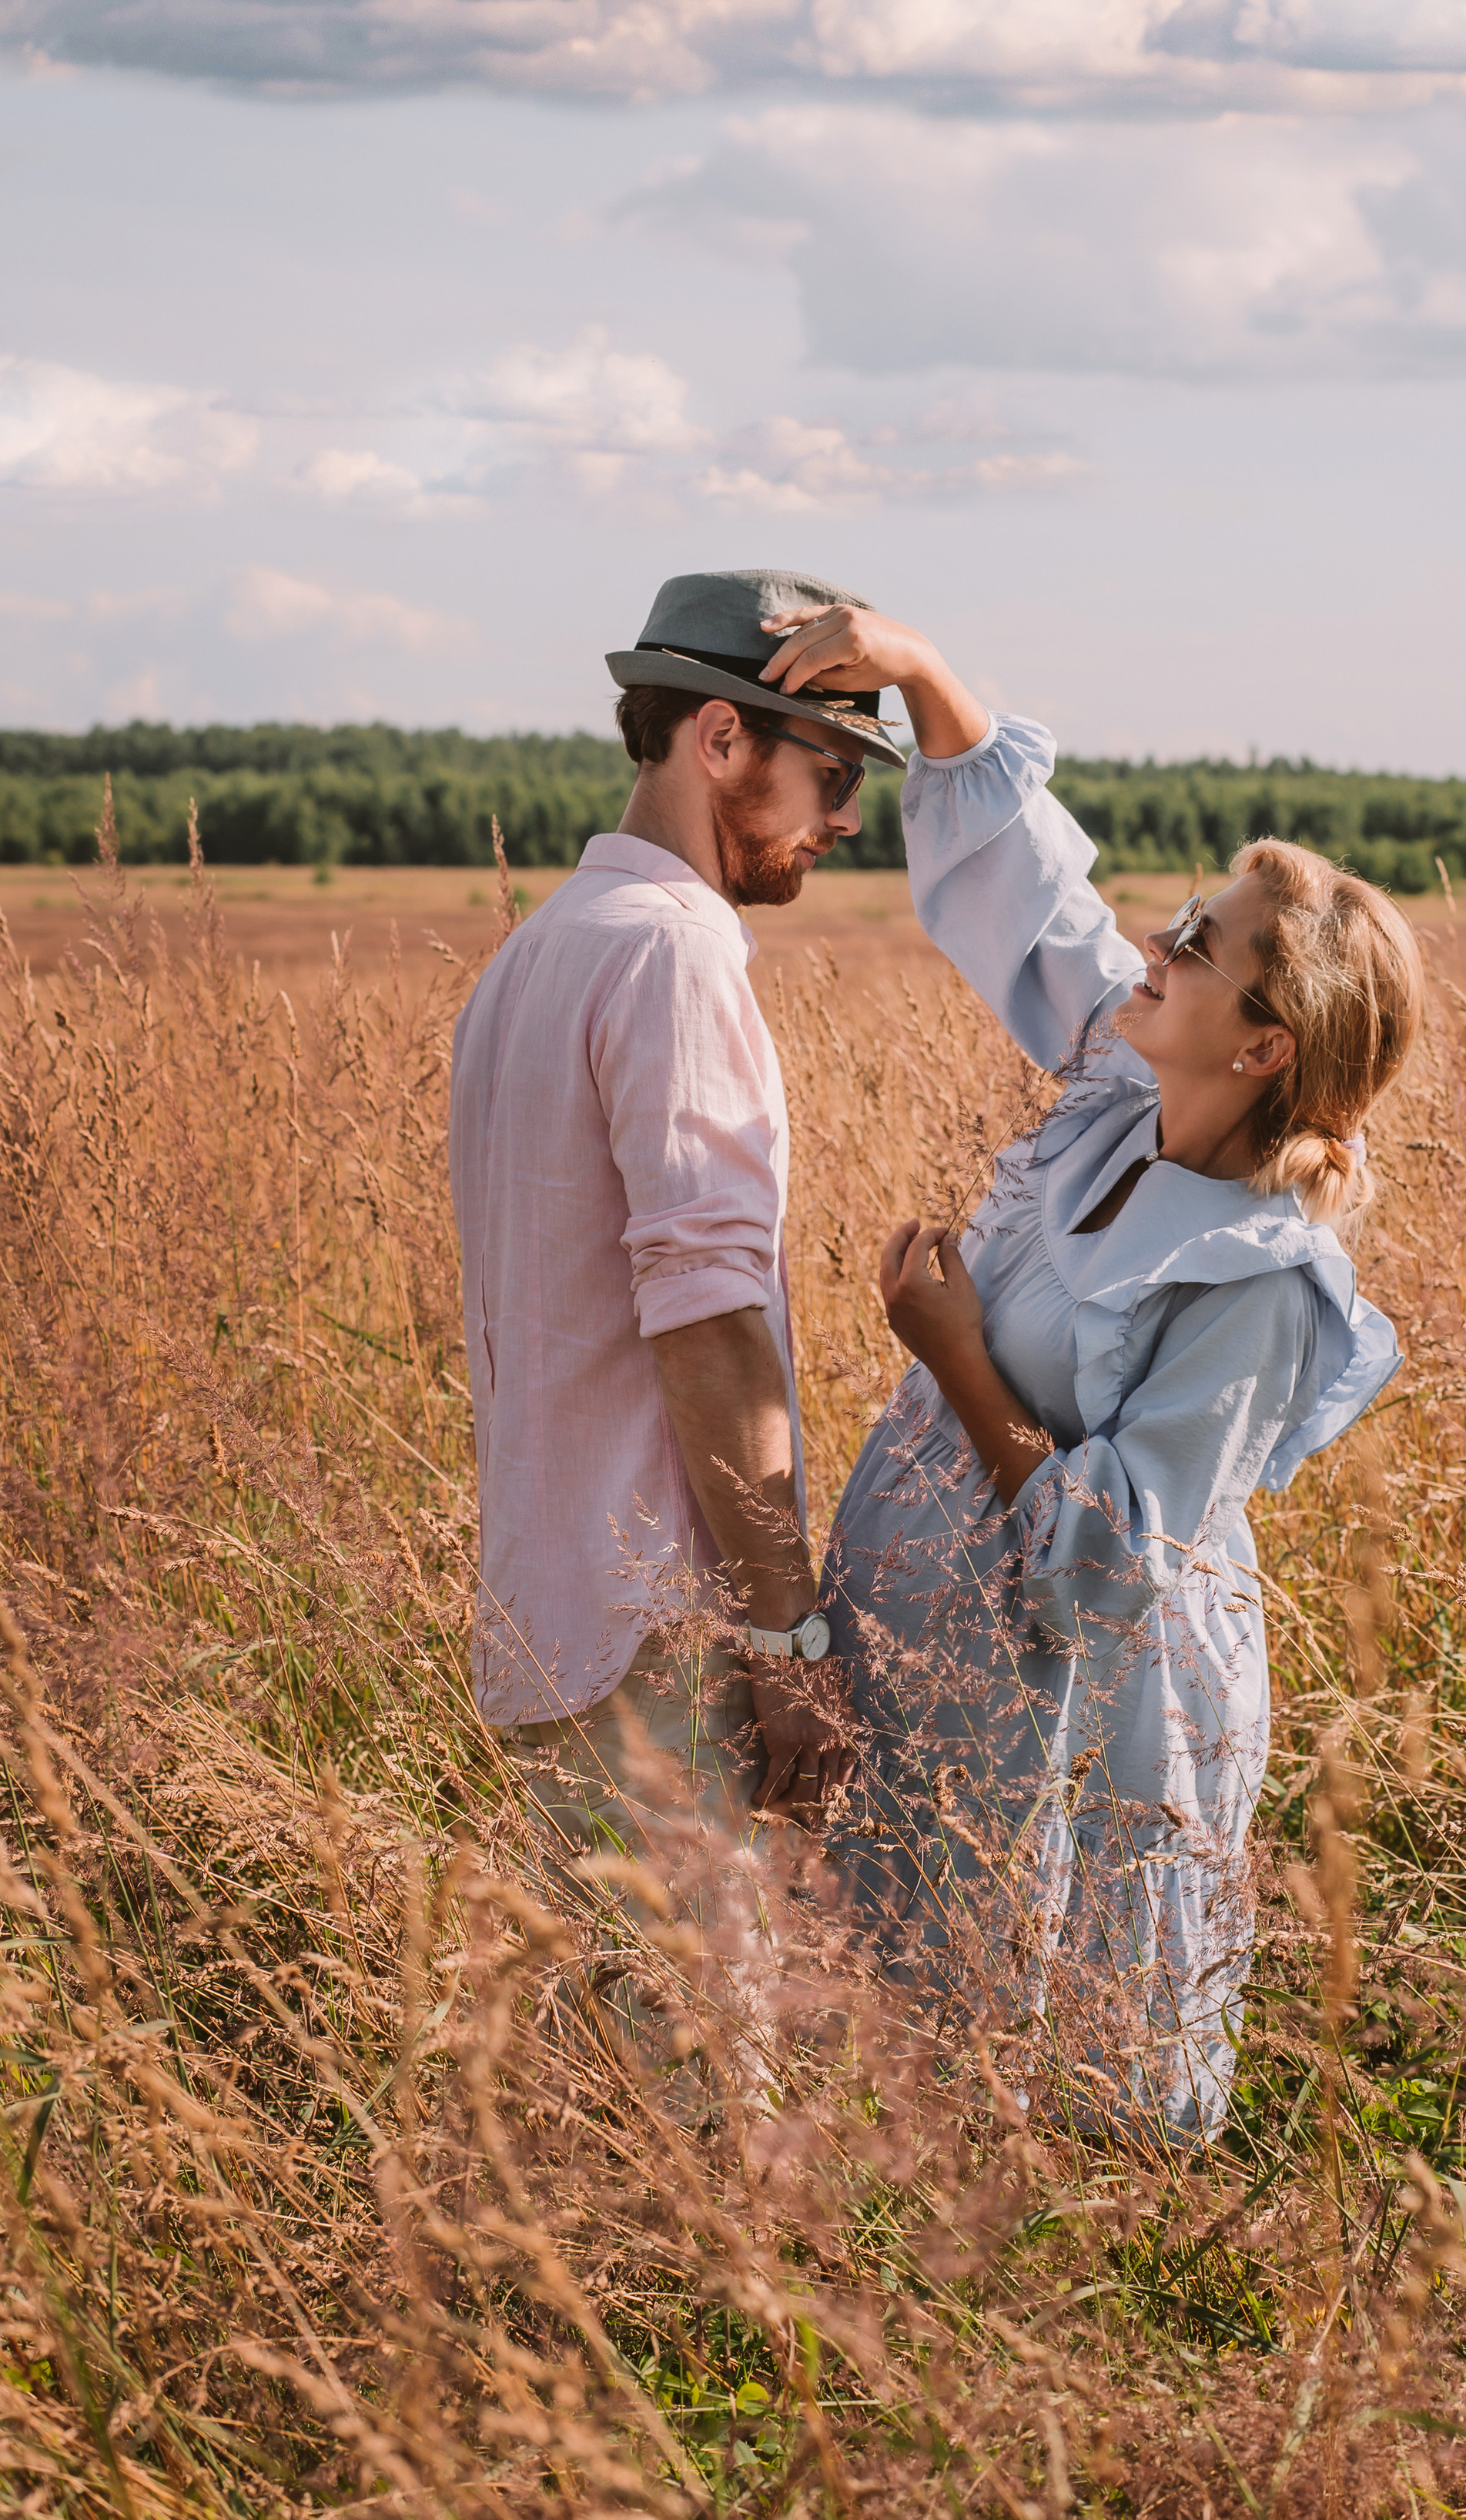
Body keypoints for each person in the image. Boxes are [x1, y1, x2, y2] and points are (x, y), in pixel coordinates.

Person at [750, 597, 1423, 2141]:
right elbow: (1031, 894)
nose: (1156, 948)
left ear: (1262, 1047)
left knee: (1037, 2072)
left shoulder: (1257, 1279)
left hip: (1076, 1706)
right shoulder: (1125, 1084)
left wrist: (957, 1360)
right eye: (1178, 924)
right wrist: (915, 667)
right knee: (895, 2050)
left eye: (1198, 950)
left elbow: (1112, 1566)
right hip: (936, 1654)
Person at [447, 567, 902, 2049]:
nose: (844, 817)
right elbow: (706, 1324)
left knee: (605, 2127)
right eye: (829, 773)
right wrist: (788, 1642)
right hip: (654, 1636)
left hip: (547, 1615)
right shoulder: (675, 952)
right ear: (720, 740)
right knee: (698, 2137)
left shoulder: (537, 953)